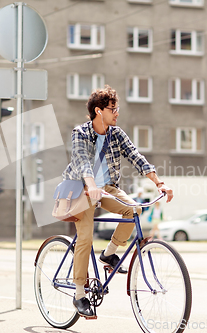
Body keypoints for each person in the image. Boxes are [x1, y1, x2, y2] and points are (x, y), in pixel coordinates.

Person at [62, 85, 173, 318]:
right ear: (99, 111)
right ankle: (79, 294)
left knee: (133, 211)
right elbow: (82, 161)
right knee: (86, 236)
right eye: (113, 109)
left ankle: (109, 253)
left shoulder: (117, 134)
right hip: (80, 187)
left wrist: (159, 182)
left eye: (117, 108)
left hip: (106, 188)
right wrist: (91, 185)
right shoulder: (80, 133)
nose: (117, 113)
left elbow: (136, 157)